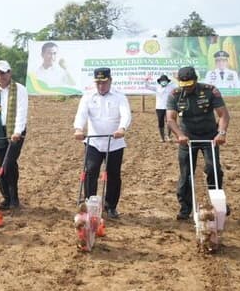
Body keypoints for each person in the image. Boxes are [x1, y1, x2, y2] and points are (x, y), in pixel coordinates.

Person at [166, 66, 230, 221]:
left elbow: (223, 115)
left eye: (190, 85)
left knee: (213, 169)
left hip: (209, 136)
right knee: (186, 174)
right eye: (184, 85)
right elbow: (170, 119)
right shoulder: (175, 94)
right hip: (187, 138)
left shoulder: (210, 91)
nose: (187, 88)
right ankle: (185, 208)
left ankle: (218, 204)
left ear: (195, 80)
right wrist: (180, 135)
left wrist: (221, 133)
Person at [73, 67, 131, 219]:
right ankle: (89, 203)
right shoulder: (88, 97)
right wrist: (79, 129)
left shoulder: (119, 97)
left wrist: (122, 128)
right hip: (94, 141)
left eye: (104, 82)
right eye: (98, 83)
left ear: (110, 81)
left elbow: (126, 114)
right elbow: (81, 114)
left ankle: (110, 206)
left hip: (115, 142)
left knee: (113, 175)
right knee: (91, 170)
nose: (101, 86)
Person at [0, 60, 28, 210]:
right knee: (1, 164)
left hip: (15, 131)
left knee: (8, 163)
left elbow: (21, 112)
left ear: (10, 73)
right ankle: (6, 198)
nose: (1, 76)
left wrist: (17, 131)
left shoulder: (20, 90)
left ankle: (14, 197)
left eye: (3, 73)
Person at [145, 74, 178, 142]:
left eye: (165, 80)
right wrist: (146, 80)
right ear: (160, 81)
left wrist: (176, 78)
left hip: (169, 107)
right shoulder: (157, 87)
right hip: (159, 107)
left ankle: (168, 136)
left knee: (169, 121)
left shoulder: (171, 87)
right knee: (160, 122)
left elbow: (178, 86)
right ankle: (162, 138)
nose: (164, 82)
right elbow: (147, 86)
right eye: (162, 81)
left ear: (167, 81)